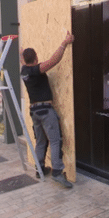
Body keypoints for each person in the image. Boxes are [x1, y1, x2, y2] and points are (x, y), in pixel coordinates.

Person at [20, 31, 74, 188]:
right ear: (35, 59)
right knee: (55, 140)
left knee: (41, 141)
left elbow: (23, 58)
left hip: (34, 112)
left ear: (24, 60)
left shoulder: (24, 71)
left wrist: (20, 51)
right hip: (45, 111)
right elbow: (53, 61)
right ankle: (57, 172)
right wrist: (65, 42)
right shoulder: (36, 70)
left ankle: (40, 169)